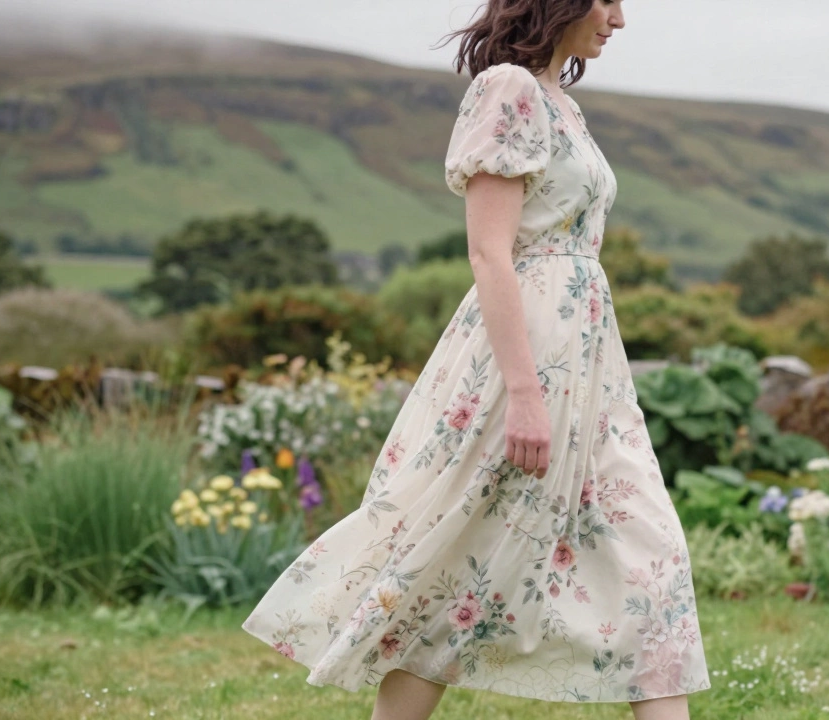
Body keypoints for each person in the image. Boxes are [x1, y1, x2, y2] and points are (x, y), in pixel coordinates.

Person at [242, 1, 711, 718]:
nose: (619, 17)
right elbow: (490, 251)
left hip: (590, 364)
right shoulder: (509, 89)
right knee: (457, 554)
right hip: (525, 357)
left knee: (651, 555)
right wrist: (523, 393)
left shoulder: (562, 104)